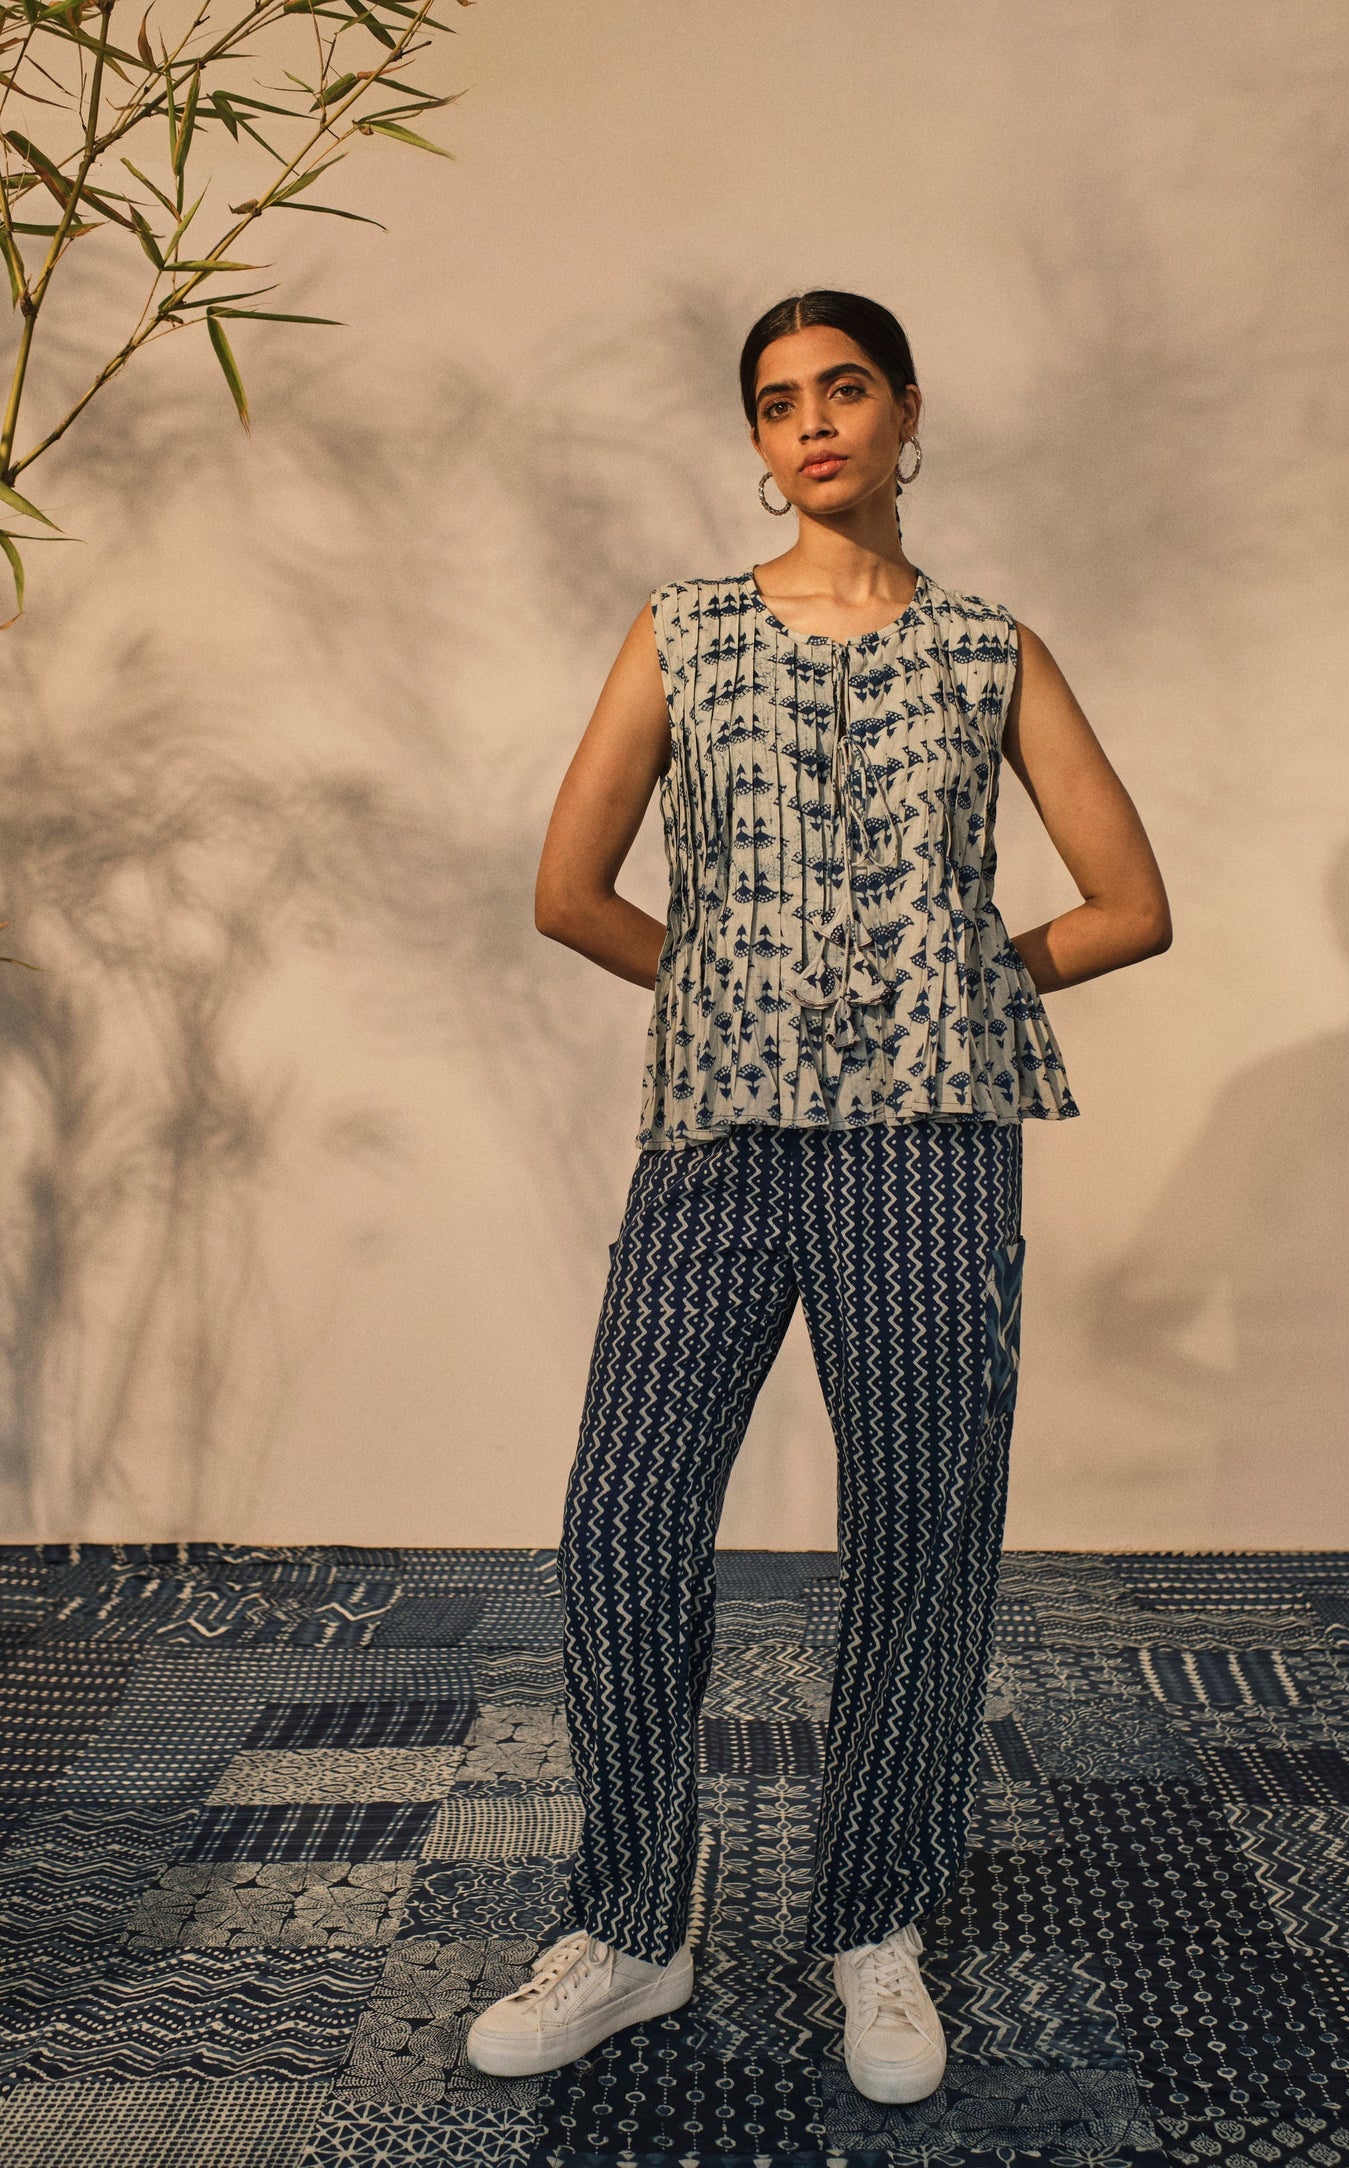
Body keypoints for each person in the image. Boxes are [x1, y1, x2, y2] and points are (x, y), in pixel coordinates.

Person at [467, 289, 1171, 2104]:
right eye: (778, 403)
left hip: (930, 1140)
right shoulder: (681, 633)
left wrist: (955, 981)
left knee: (920, 1538)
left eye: (843, 389)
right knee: (620, 1523)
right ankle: (633, 1921)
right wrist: (733, 991)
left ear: (905, 411)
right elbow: (569, 891)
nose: (812, 425)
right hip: (719, 1132)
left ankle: (876, 1921)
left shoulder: (991, 649)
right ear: (756, 441)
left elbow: (1129, 905)